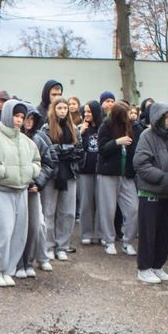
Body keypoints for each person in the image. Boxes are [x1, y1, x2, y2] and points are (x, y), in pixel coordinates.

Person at [0, 100, 41, 287]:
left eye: (22, 117)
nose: (19, 120)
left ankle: (8, 269)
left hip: (21, 192)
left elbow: (37, 161)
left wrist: (30, 172)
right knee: (1, 232)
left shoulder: (27, 142)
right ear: (7, 115)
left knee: (18, 233)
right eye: (16, 116)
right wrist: (4, 172)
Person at [133, 102, 168, 284]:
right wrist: (162, 177)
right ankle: (144, 268)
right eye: (166, 118)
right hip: (150, 192)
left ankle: (157, 266)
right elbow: (141, 163)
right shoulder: (147, 136)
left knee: (164, 233)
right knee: (148, 232)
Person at [37, 98, 82, 261]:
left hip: (69, 173)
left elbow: (78, 151)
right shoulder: (46, 128)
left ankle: (62, 246)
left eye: (65, 108)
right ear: (53, 110)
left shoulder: (74, 129)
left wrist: (65, 151)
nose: (63, 110)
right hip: (52, 175)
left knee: (68, 212)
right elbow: (48, 151)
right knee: (49, 211)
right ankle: (48, 246)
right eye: (60, 108)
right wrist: (64, 150)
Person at [96, 101, 141, 256]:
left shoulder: (133, 127)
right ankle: (109, 241)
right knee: (108, 210)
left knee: (134, 209)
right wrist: (117, 142)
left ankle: (127, 241)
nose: (129, 117)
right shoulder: (105, 126)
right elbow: (101, 150)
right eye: (125, 114)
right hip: (108, 174)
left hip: (127, 175)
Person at [17, 104, 55, 277]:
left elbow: (48, 162)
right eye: (27, 118)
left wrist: (39, 183)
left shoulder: (39, 138)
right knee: (17, 227)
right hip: (16, 189)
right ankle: (17, 263)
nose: (29, 122)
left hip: (33, 190)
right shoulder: (11, 137)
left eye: (32, 119)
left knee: (35, 225)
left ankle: (29, 261)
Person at [77, 100, 103, 245]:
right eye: (85, 111)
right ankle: (86, 233)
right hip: (85, 170)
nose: (86, 114)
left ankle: (100, 233)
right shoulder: (82, 128)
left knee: (101, 203)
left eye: (89, 111)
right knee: (86, 203)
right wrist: (80, 133)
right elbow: (75, 145)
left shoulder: (104, 128)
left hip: (100, 171)